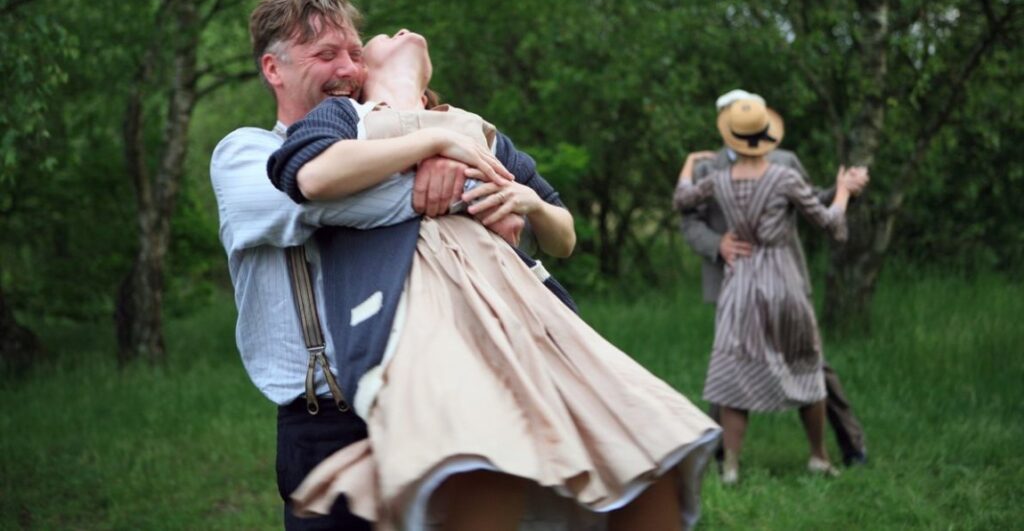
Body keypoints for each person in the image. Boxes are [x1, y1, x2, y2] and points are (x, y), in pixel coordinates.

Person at [270, 28, 722, 530]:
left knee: (645, 443)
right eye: (366, 45)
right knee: (486, 457)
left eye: (356, 48)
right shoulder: (346, 117)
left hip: (525, 312)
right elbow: (310, 175)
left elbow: (563, 235)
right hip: (425, 310)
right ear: (364, 77)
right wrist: (433, 147)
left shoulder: (475, 128)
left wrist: (529, 204)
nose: (398, 32)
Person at [210, 0, 517, 530]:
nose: (347, 70)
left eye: (355, 54)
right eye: (324, 54)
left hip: (436, 407)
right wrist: (436, 158)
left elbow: (509, 204)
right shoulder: (245, 154)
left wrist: (437, 159)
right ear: (273, 70)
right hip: (327, 424)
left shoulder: (397, 139)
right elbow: (325, 196)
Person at [673, 97, 865, 485]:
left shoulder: (719, 179)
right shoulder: (785, 176)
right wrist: (844, 191)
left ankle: (730, 468)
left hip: (740, 283)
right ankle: (818, 457)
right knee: (807, 365)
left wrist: (688, 165)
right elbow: (827, 219)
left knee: (733, 370)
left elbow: (681, 198)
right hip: (784, 283)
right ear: (769, 137)